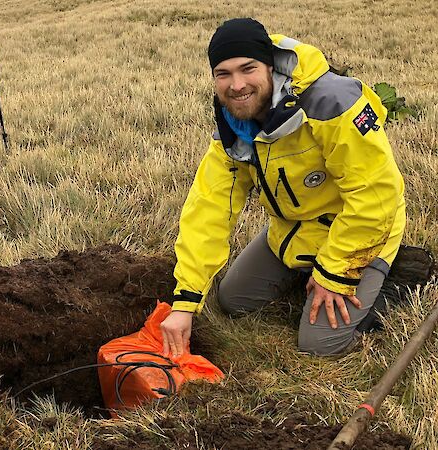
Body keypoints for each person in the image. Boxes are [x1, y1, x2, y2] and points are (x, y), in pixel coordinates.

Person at [160, 18, 406, 357]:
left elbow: (375, 196)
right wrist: (185, 301)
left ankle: (392, 275)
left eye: (248, 69)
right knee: (234, 300)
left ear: (270, 66)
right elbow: (209, 209)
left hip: (360, 229)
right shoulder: (234, 126)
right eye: (223, 74)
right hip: (294, 229)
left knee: (319, 346)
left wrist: (334, 274)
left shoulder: (332, 102)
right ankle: (310, 273)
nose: (237, 85)